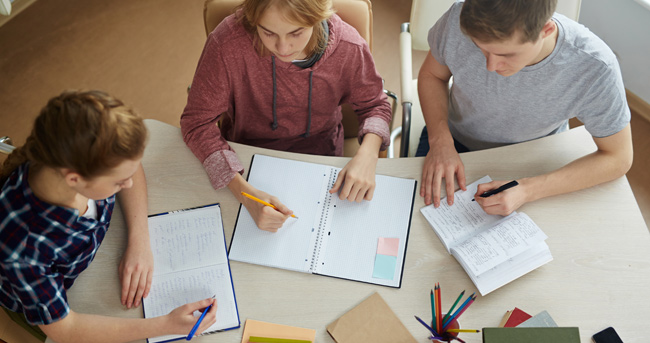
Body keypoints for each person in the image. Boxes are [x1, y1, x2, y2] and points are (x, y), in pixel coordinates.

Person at [0, 90, 217, 343]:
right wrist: (164, 325)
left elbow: (131, 167)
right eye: (118, 181)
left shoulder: (86, 163)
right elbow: (67, 330)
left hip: (96, 257)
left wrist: (139, 240)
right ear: (75, 179)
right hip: (51, 306)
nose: (129, 182)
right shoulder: (24, 251)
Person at [181, 0, 392, 232]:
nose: (282, 48)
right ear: (253, 20)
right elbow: (196, 123)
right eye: (268, 32)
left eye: (296, 32)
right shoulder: (227, 44)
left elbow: (376, 105)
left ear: (318, 16)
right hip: (245, 158)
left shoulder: (349, 46)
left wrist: (369, 154)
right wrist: (245, 194)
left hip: (322, 154)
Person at [417, 0, 633, 216]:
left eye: (506, 55)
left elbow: (619, 158)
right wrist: (440, 141)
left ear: (545, 30)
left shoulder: (595, 67)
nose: (490, 67)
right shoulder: (460, 17)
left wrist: (529, 190)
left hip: (535, 161)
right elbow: (432, 76)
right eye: (479, 47)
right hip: (450, 141)